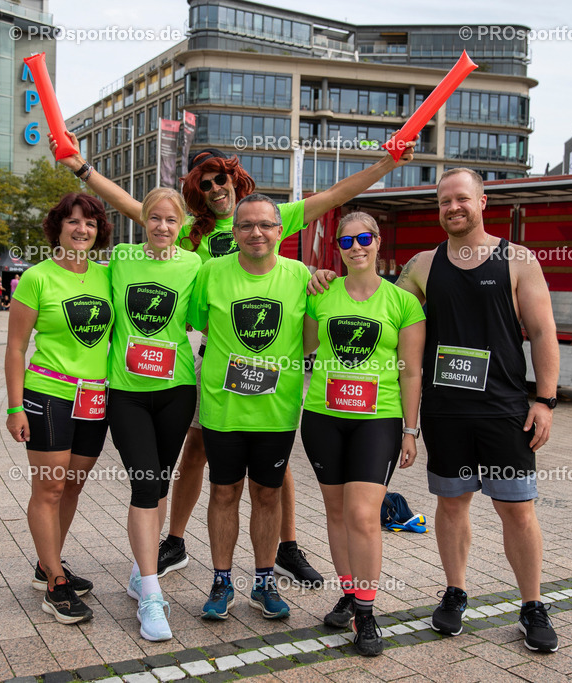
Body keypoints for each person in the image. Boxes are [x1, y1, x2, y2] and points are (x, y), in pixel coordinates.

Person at [52, 132, 415, 585]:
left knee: (272, 465)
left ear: (236, 178)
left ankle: (287, 546)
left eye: (220, 178)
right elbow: (134, 207)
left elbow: (337, 194)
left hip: (272, 361)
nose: (215, 189)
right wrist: (81, 169)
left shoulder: (272, 215)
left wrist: (387, 164)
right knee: (197, 449)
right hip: (217, 353)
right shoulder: (190, 228)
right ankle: (176, 540)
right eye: (204, 184)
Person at [393, 168, 561, 653]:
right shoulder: (423, 265)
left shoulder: (518, 260)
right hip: (445, 412)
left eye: (462, 199)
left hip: (505, 412)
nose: (453, 208)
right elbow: (381, 308)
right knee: (451, 506)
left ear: (483, 201)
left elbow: (544, 332)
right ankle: (455, 591)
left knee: (518, 511)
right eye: (444, 201)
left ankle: (531, 605)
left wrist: (545, 401)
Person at [301, 212, 425, 656]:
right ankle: (350, 594)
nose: (357, 246)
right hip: (323, 416)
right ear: (337, 247)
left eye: (365, 238)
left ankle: (367, 614)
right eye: (347, 240)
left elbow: (412, 372)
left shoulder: (402, 303)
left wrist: (411, 430)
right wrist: (311, 283)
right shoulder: (321, 294)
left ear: (378, 242)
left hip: (378, 419)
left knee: (362, 514)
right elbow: (304, 348)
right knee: (336, 512)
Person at [188, 194, 310, 621]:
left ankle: (263, 581)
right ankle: (222, 582)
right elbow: (198, 323)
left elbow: (312, 337)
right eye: (246, 226)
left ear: (280, 230)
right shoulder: (210, 272)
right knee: (223, 492)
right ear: (234, 232)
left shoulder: (301, 276)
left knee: (268, 494)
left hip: (277, 410)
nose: (255, 232)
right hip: (223, 408)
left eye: (265, 225)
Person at [4, 193, 113, 625]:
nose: (81, 229)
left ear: (98, 230)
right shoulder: (37, 277)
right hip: (49, 394)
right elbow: (15, 348)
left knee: (72, 488)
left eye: (89, 223)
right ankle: (55, 584)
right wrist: (15, 407)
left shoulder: (107, 277)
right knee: (49, 489)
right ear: (58, 227)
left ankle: (48, 562)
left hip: (95, 397)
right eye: (72, 222)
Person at [109, 188, 201, 642]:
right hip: (126, 392)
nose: (162, 226)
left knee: (159, 481)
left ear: (182, 224)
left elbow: (207, 316)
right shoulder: (121, 258)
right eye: (154, 218)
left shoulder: (193, 265)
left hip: (177, 390)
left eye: (171, 219)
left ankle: (139, 568)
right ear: (142, 219)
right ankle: (150, 594)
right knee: (145, 483)